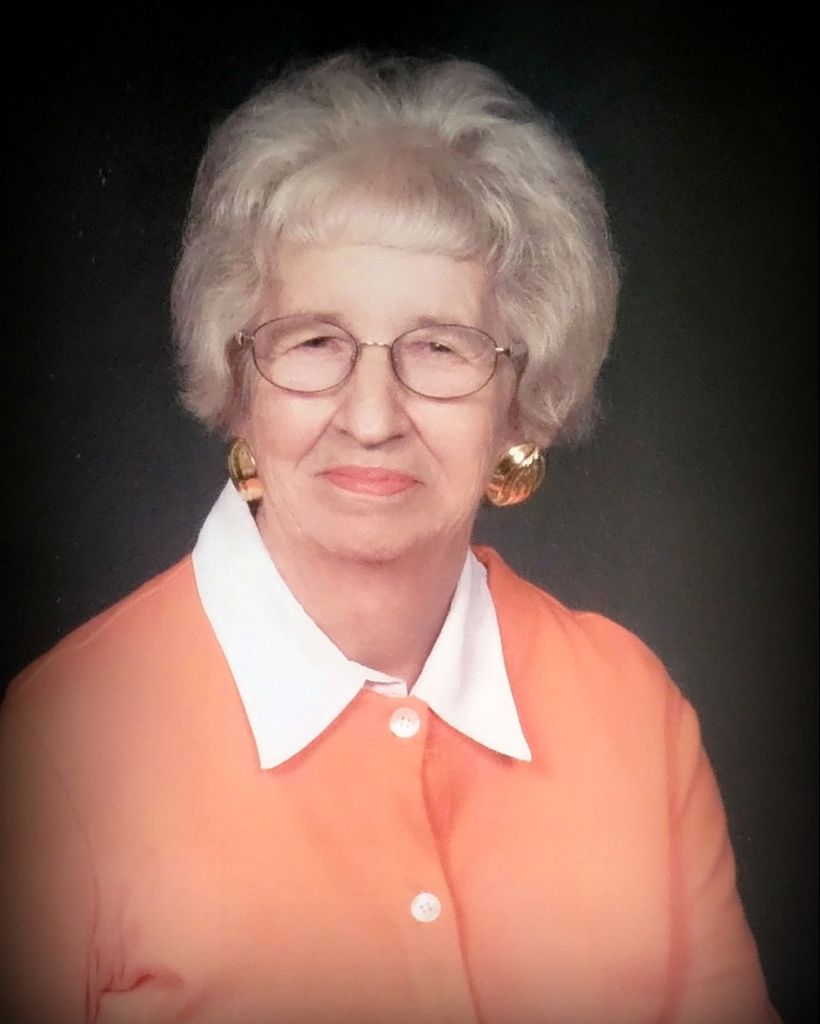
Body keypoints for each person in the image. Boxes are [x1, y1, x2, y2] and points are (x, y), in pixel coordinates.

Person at [0, 53, 779, 1024]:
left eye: (440, 348)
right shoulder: (62, 747)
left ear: (520, 402)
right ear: (238, 381)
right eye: (314, 341)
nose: (371, 417)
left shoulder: (632, 708)